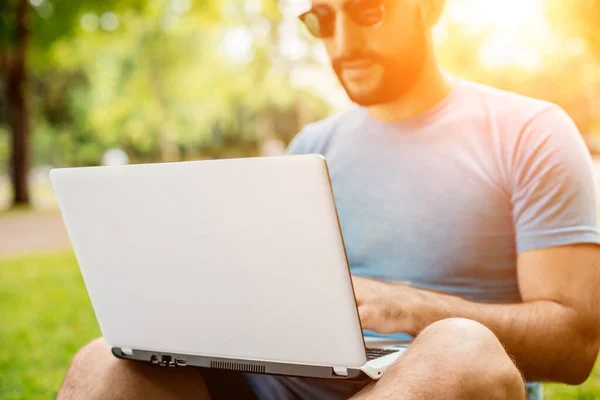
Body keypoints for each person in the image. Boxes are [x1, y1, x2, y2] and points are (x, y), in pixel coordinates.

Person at [58, 0, 600, 398]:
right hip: (282, 387)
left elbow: (575, 347)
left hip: (429, 382)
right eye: (323, 19)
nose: (342, 44)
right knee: (106, 360)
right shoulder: (311, 148)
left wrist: (412, 308)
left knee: (459, 347)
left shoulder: (531, 132)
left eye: (367, 13)